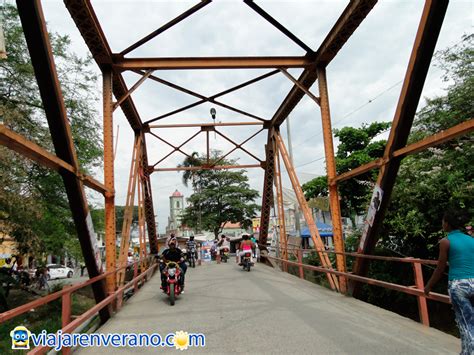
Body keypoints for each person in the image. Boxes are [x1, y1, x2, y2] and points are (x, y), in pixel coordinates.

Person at [424, 209, 474, 355]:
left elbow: (440, 269)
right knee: (469, 323)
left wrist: (428, 286)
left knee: (466, 325)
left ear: (447, 224)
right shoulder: (472, 240)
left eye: (443, 221)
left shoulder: (445, 242)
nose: (442, 223)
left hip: (459, 287)